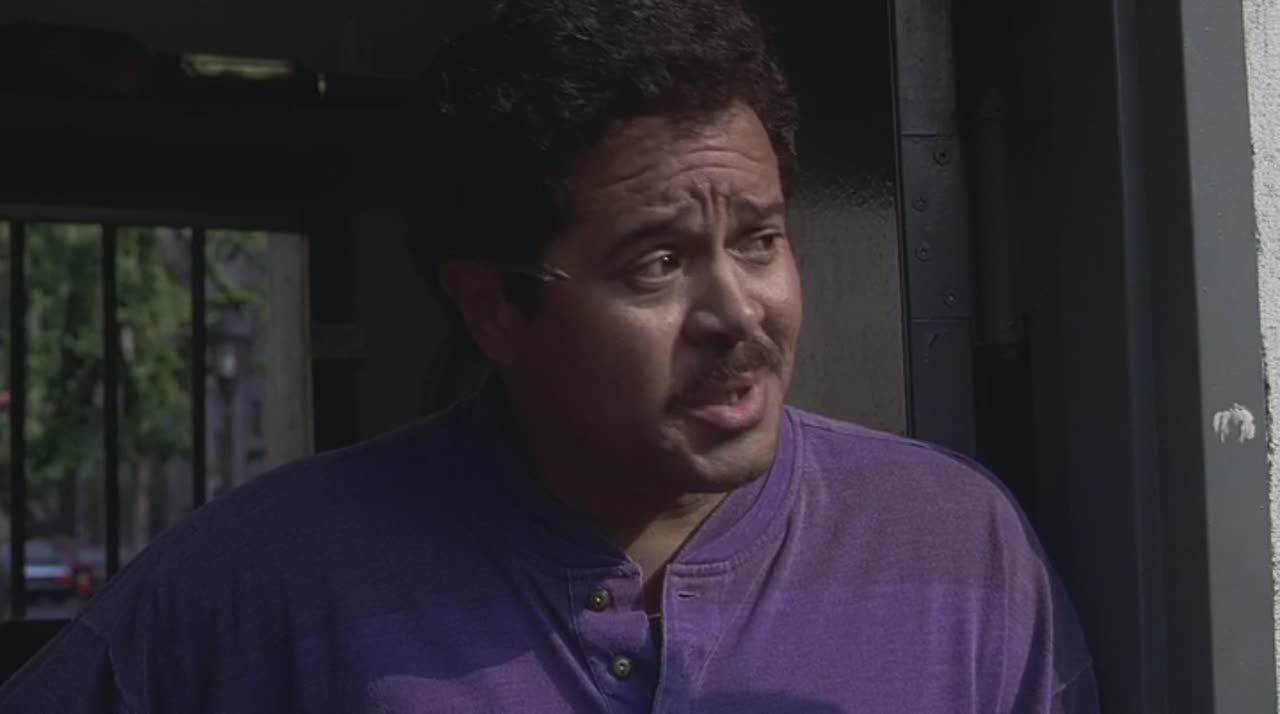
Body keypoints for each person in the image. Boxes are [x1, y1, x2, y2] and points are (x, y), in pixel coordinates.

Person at [0, 0, 1098, 711]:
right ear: (494, 311)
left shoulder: (956, 548)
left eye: (760, 241)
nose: (739, 311)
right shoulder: (269, 582)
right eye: (657, 264)